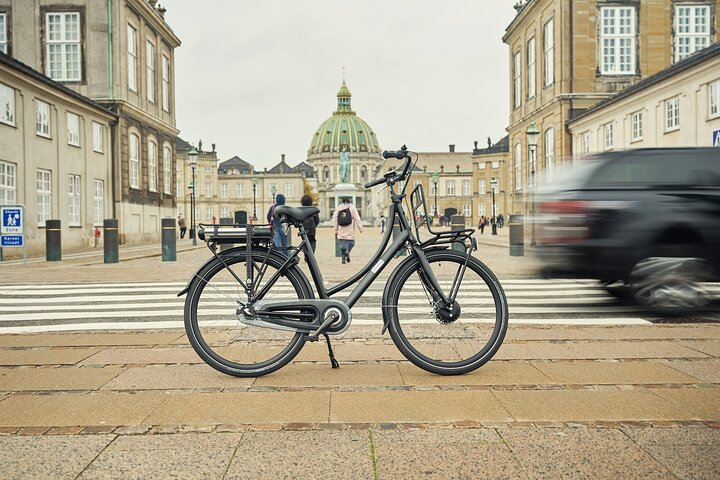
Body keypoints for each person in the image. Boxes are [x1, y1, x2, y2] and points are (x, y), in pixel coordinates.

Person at [333, 196, 363, 264]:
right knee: (352, 243)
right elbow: (357, 218)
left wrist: (335, 229)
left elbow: (335, 219)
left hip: (341, 229)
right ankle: (348, 252)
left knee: (342, 245)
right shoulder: (352, 207)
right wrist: (360, 228)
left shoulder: (338, 208)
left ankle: (343, 258)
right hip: (350, 228)